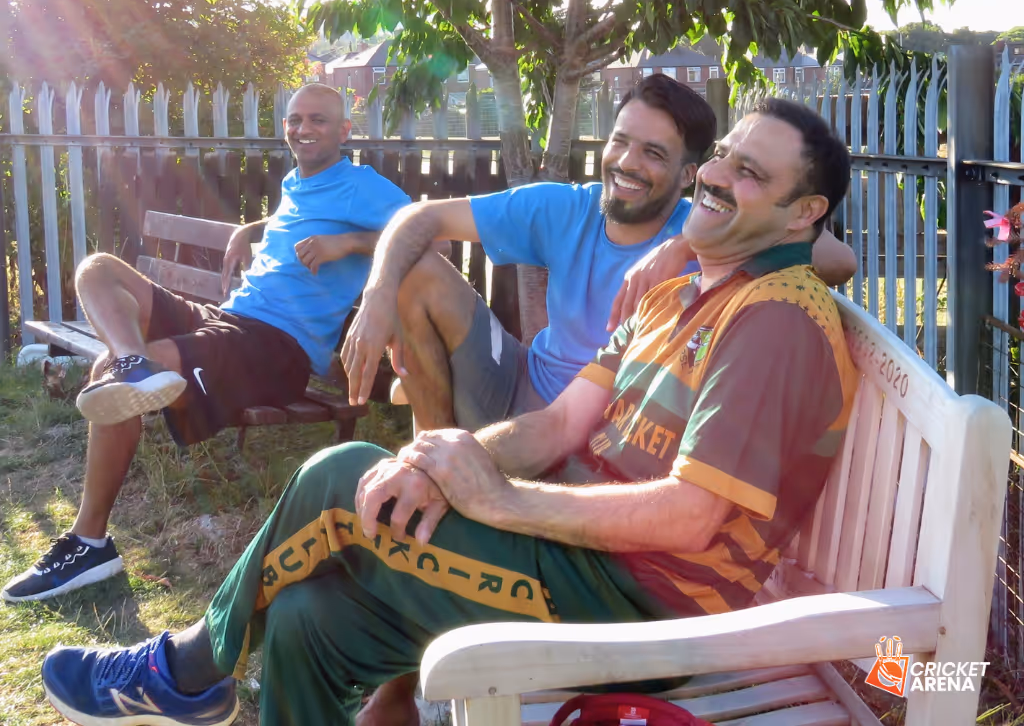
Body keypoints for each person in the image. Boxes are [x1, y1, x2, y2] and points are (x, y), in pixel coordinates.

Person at [41, 97, 860, 726]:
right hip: (575, 553)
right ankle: (200, 672)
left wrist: (499, 498)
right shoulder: (678, 287)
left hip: (645, 608)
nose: (718, 177)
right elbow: (559, 424)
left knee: (337, 477)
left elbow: (690, 518)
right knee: (306, 617)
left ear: (803, 213)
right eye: (720, 159)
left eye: (750, 174)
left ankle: (184, 670)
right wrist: (443, 462)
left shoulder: (774, 320)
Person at [2, 84, 412, 604]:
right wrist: (253, 227)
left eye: (318, 121)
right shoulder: (297, 180)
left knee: (107, 373)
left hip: (274, 347)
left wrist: (351, 243)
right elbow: (299, 219)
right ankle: (134, 364)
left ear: (345, 131)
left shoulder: (364, 187)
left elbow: (433, 236)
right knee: (99, 271)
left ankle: (90, 542)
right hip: (227, 319)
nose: (303, 129)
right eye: (294, 120)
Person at [341, 74, 858, 431]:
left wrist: (681, 248)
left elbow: (839, 261)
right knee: (416, 272)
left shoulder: (711, 228)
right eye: (620, 141)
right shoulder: (565, 207)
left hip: (604, 428)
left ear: (687, 175)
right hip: (520, 383)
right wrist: (378, 296)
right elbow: (419, 217)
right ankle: (432, 461)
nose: (627, 163)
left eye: (653, 153)